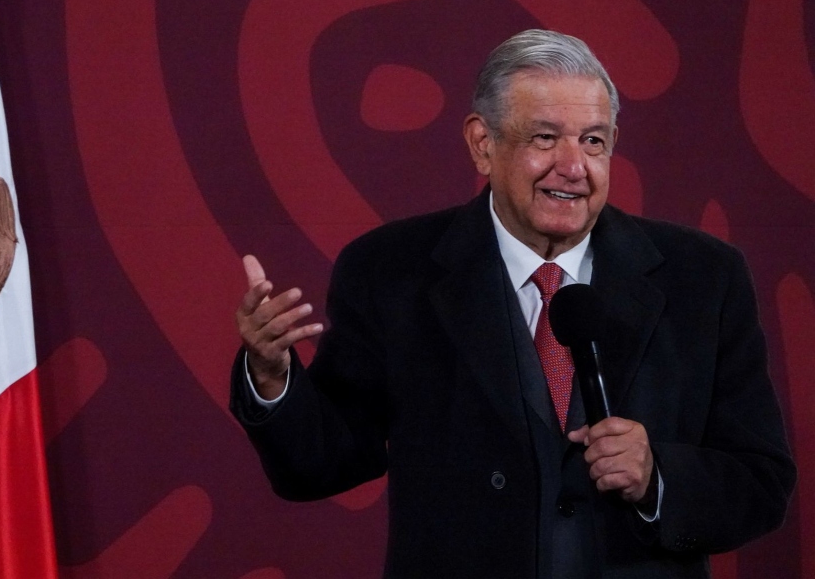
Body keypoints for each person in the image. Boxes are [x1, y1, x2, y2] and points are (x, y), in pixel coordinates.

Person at [230, 29, 795, 578]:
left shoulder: (705, 278)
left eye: (593, 141)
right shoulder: (389, 271)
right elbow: (322, 465)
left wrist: (658, 477)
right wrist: (272, 377)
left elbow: (762, 482)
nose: (573, 167)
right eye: (545, 138)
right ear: (483, 144)